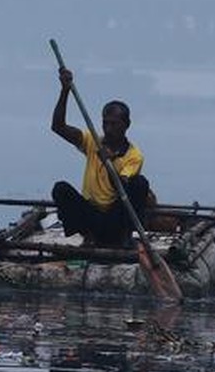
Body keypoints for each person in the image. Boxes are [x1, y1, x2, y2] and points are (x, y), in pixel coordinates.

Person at [50, 65, 151, 246]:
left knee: (140, 183)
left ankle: (124, 237)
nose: (108, 129)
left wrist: (109, 161)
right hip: (91, 216)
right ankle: (89, 236)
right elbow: (58, 127)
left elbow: (121, 186)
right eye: (105, 123)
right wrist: (65, 90)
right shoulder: (92, 141)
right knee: (60, 189)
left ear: (126, 124)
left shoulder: (134, 155)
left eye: (114, 124)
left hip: (115, 218)